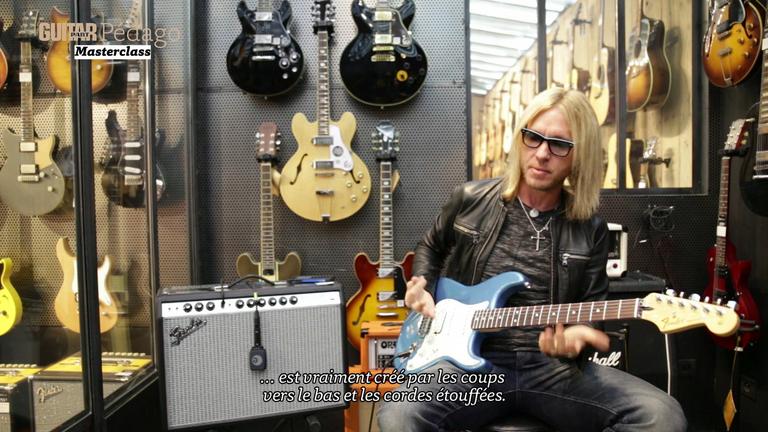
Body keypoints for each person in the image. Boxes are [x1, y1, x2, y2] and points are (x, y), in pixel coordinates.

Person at [376, 88, 687, 432]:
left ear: (579, 155)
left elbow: (592, 311)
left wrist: (577, 340)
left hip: (551, 371)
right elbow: (431, 245)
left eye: (559, 144)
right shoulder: (470, 199)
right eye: (533, 137)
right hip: (466, 365)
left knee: (662, 416)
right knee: (399, 415)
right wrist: (422, 284)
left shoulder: (592, 229)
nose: (541, 153)